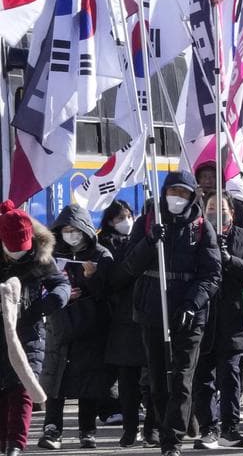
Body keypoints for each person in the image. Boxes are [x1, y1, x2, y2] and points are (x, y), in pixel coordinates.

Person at [118, 173, 222, 456]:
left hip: (189, 311)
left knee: (182, 376)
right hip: (153, 308)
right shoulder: (148, 222)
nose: (178, 198)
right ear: (164, 193)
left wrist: (192, 303)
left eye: (184, 193)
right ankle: (167, 423)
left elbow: (212, 274)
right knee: (157, 376)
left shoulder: (202, 227)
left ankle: (172, 441)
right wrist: (149, 242)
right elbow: (129, 266)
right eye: (173, 191)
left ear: (192, 197)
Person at [37, 204, 113, 450]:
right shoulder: (51, 254)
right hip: (60, 325)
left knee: (88, 380)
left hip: (91, 326)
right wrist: (62, 294)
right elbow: (40, 285)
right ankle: (52, 428)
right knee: (55, 377)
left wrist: (92, 279)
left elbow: (111, 292)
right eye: (66, 230)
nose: (71, 234)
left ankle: (87, 430)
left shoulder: (101, 255)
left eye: (75, 229)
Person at [192, 192, 243, 448]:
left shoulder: (242, 237)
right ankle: (208, 428)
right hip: (204, 315)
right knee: (203, 377)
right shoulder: (195, 234)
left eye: (221, 209)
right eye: (210, 208)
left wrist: (229, 259)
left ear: (231, 212)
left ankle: (230, 428)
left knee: (230, 375)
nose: (215, 213)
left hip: (232, 318)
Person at [0, 202, 69, 456]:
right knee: (4, 389)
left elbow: (59, 282)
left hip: (29, 329)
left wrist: (54, 300)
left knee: (22, 386)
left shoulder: (40, 255)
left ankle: (15, 444)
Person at [98, 201, 154, 447]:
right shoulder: (120, 247)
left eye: (131, 216)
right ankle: (130, 428)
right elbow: (116, 280)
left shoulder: (165, 245)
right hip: (125, 320)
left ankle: (151, 427)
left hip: (153, 317)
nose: (128, 221)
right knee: (128, 381)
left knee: (154, 379)